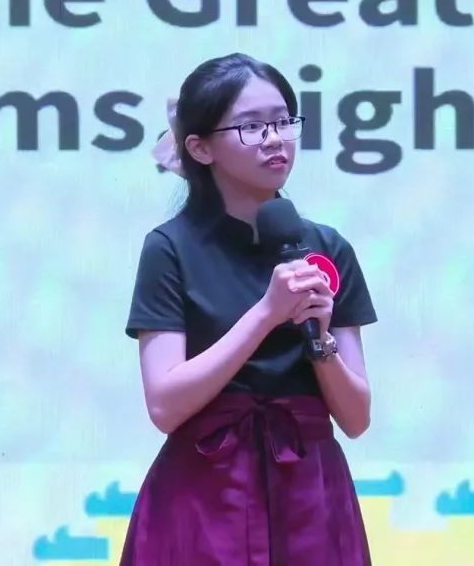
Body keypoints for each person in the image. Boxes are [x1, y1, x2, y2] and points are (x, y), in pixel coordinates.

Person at [122, 53, 378, 566]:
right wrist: (266, 313)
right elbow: (165, 406)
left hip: (310, 493)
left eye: (283, 121)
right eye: (252, 126)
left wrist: (320, 341)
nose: (275, 139)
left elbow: (356, 418)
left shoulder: (328, 248)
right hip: (205, 493)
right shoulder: (170, 249)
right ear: (200, 147)